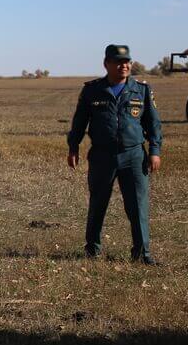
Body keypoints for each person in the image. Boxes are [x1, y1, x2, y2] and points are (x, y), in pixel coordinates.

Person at [67, 44, 162, 263]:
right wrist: (73, 147)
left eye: (127, 62)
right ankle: (92, 249)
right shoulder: (92, 90)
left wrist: (154, 151)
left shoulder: (141, 90)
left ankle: (142, 254)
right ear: (106, 64)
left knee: (137, 206)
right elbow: (79, 122)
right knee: (98, 203)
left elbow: (153, 124)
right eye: (119, 62)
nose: (124, 66)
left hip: (134, 156)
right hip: (102, 156)